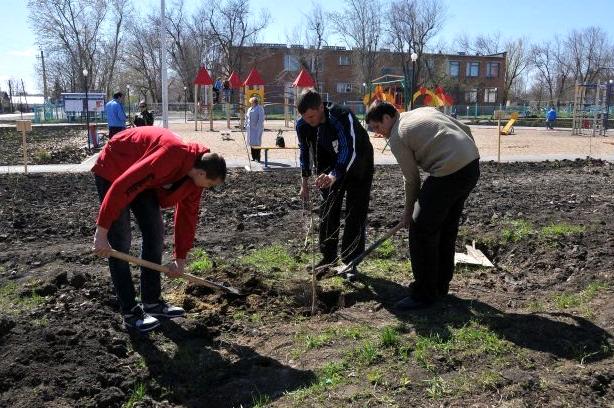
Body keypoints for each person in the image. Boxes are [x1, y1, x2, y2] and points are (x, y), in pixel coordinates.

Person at [91, 127, 227, 332]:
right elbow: (122, 185)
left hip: (142, 176)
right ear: (201, 172)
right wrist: (101, 233)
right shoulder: (171, 154)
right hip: (116, 166)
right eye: (210, 184)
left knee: (155, 233)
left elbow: (187, 217)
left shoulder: (194, 182)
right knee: (120, 242)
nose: (209, 189)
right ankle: (130, 312)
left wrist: (180, 259)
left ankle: (152, 302)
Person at [365, 102, 480, 311]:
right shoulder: (421, 111)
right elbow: (466, 130)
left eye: (376, 127)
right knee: (445, 227)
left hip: (449, 171)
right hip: (471, 165)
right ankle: (440, 286)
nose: (378, 133)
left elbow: (411, 179)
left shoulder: (397, 134)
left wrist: (409, 214)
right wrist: (464, 157)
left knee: (420, 230)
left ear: (386, 118)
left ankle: (423, 294)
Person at [296, 90, 374, 277]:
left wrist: (334, 175)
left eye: (312, 116)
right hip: (330, 164)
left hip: (359, 164)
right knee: (328, 209)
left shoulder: (341, 116)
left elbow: (349, 148)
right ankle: (328, 256)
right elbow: (305, 153)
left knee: (355, 213)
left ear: (321, 107)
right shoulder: (303, 125)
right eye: (305, 118)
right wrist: (304, 182)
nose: (309, 121)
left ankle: (350, 262)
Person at [245, 96, 265, 161]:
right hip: (250, 129)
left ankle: (258, 157)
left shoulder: (260, 108)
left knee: (257, 143)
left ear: (255, 102)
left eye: (252, 102)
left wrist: (257, 127)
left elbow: (261, 118)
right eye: (251, 102)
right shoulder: (249, 109)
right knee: (251, 143)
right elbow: (247, 117)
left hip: (257, 129)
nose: (251, 103)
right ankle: (253, 157)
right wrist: (246, 125)